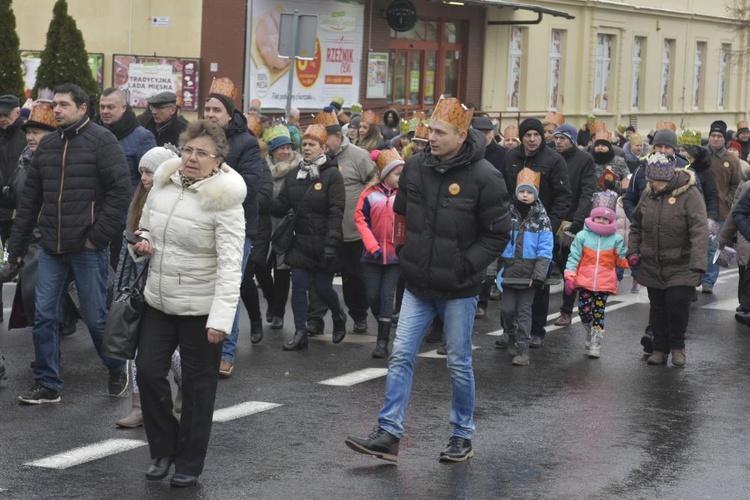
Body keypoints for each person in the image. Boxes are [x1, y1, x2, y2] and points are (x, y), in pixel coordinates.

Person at [345, 96, 511, 463]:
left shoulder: (486, 177)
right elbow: (401, 214)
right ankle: (388, 434)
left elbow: (498, 235)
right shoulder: (417, 167)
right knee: (401, 355)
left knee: (457, 362)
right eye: (430, 130)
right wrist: (406, 255)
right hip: (418, 284)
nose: (430, 137)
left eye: (439, 132)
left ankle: (461, 435)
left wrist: (466, 266)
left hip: (458, 289)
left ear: (461, 134)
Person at [132, 120, 246, 487]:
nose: (192, 158)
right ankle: (163, 449)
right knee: (148, 374)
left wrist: (221, 319)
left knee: (198, 390)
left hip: (201, 310)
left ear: (217, 159)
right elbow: (145, 225)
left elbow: (231, 264)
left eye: (202, 153)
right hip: (158, 300)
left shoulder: (225, 198)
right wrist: (143, 243)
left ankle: (189, 463)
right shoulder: (164, 183)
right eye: (188, 150)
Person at [8, 83, 131, 404]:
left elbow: (120, 193)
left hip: (87, 249)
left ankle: (117, 366)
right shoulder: (47, 148)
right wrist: (16, 249)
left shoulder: (103, 141)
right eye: (55, 104)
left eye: (64, 104)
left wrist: (97, 237)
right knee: (45, 316)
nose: (57, 109)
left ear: (82, 109)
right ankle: (48, 383)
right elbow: (30, 203)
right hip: (50, 247)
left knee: (95, 318)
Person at [115, 146, 184, 428]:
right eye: (141, 171)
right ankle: (138, 406)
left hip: (167, 282)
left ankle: (185, 382)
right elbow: (127, 243)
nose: (143, 177)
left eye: (149, 171)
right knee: (138, 346)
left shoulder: (176, 201)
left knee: (170, 350)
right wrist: (121, 285)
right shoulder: (139, 198)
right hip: (140, 284)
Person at [203, 77, 265, 377]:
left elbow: (252, 186)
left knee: (228, 289)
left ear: (230, 115)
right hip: (202, 224)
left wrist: (217, 176)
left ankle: (225, 355)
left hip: (236, 228)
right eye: (207, 108)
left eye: (217, 109)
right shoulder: (198, 140)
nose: (211, 114)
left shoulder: (246, 143)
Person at [270, 123, 347, 351]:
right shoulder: (295, 174)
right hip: (301, 242)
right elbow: (283, 205)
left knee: (323, 289)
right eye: (304, 144)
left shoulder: (332, 175)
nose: (306, 148)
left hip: (325, 243)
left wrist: (332, 244)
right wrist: (262, 198)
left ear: (323, 147)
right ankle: (300, 331)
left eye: (312, 144)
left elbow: (336, 211)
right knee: (299, 286)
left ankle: (338, 314)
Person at [627, 152, 708, 367]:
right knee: (658, 308)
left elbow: (699, 229)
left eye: (655, 181)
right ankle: (660, 349)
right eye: (650, 180)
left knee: (676, 306)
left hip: (681, 263)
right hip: (653, 263)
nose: (651, 185)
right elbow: (636, 224)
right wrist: (632, 251)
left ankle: (678, 347)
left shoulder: (690, 195)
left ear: (667, 179)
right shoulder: (648, 194)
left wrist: (699, 263)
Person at [502, 118, 572, 348]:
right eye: (527, 135)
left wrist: (549, 225)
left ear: (543, 137)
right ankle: (508, 330)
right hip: (513, 227)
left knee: (538, 281)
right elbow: (502, 190)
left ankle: (536, 330)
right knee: (509, 281)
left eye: (536, 135)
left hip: (540, 229)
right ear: (521, 137)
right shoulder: (511, 158)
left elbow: (563, 196)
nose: (532, 139)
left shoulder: (554, 160)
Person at [306, 107, 375, 336]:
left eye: (326, 139)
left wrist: (363, 202)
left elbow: (375, 180)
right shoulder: (314, 159)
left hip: (352, 230)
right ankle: (316, 320)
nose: (322, 144)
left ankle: (359, 316)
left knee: (355, 277)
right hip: (323, 231)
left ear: (338, 136)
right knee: (319, 277)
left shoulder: (358, 156)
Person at [495, 168, 553, 366]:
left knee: (524, 311)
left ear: (535, 194)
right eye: (522, 191)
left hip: (529, 274)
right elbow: (497, 241)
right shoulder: (507, 214)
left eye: (529, 192)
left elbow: (545, 249)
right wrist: (492, 270)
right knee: (506, 309)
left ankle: (523, 349)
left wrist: (539, 275)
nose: (525, 195)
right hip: (508, 271)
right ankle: (510, 334)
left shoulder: (542, 218)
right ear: (516, 193)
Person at [564, 191, 629, 358]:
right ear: (592, 218)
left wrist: (631, 260)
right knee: (584, 311)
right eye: (599, 217)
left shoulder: (616, 239)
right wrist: (570, 276)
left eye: (606, 218)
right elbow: (574, 257)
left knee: (598, 313)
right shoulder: (582, 236)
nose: (602, 221)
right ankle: (588, 330)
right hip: (585, 282)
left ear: (611, 220)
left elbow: (620, 261)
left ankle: (595, 342)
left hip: (604, 284)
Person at [354, 149, 404, 358]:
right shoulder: (369, 194)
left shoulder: (404, 196)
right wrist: (372, 246)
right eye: (397, 174)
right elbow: (360, 220)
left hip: (395, 257)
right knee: (372, 296)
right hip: (372, 255)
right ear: (385, 175)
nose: (401, 178)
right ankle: (384, 321)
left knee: (386, 296)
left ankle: (382, 342)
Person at [550, 123, 597, 327]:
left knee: (569, 267)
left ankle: (567, 310)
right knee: (547, 264)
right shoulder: (551, 157)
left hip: (572, 220)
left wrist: (578, 221)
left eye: (562, 138)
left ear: (572, 139)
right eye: (556, 137)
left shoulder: (584, 159)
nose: (558, 141)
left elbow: (587, 192)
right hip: (551, 218)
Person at [256, 124, 298, 330]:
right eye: (282, 148)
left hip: (286, 225)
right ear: (272, 150)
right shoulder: (262, 167)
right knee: (260, 267)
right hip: (264, 225)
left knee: (282, 270)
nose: (287, 151)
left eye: (289, 147)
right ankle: (271, 300)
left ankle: (279, 312)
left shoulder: (297, 169)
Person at [471, 116, 508, 318]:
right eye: (479, 133)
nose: (483, 137)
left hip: (493, 211)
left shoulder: (503, 155)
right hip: (470, 211)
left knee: (488, 262)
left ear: (493, 134)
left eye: (487, 133)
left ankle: (482, 302)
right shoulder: (465, 152)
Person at [701, 120, 741, 294]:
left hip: (720, 211)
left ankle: (709, 281)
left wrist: (727, 199)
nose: (716, 139)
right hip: (699, 208)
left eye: (719, 136)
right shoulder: (701, 156)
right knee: (697, 244)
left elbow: (736, 184)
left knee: (715, 246)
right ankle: (695, 277)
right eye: (713, 136)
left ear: (724, 139)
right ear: (709, 137)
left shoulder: (731, 159)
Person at [0, 94, 28, 320]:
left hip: (20, 211)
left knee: (23, 264)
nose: (1, 118)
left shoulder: (28, 135)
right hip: (1, 210)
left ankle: (42, 314)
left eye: (6, 114)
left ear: (17, 112)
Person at [97, 87, 157, 190]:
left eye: (110, 107)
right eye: (102, 107)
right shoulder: (93, 132)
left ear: (123, 107)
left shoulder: (143, 137)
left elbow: (150, 178)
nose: (105, 111)